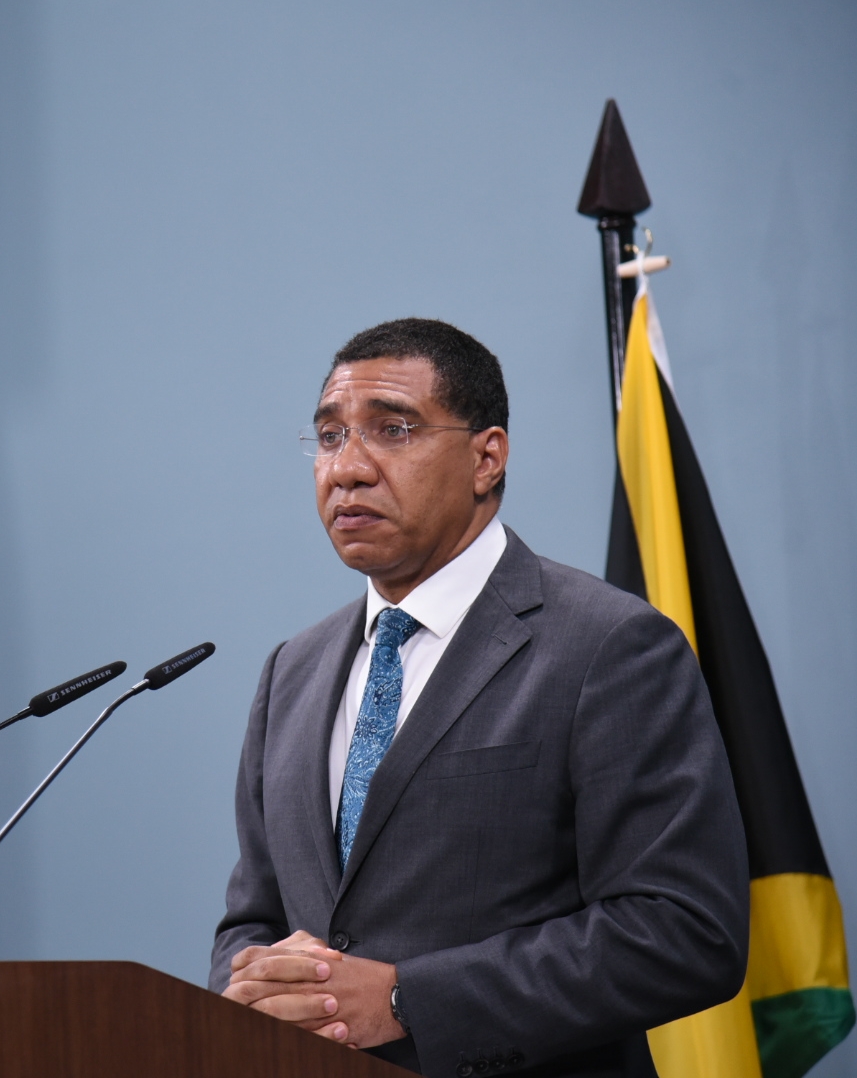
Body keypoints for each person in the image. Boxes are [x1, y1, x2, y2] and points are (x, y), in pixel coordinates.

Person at [210, 319, 748, 1077]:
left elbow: (686, 931)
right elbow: (252, 921)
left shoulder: (609, 645)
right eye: (329, 437)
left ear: (486, 457)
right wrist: (258, 980)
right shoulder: (290, 673)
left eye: (391, 430)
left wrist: (406, 1000)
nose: (347, 468)